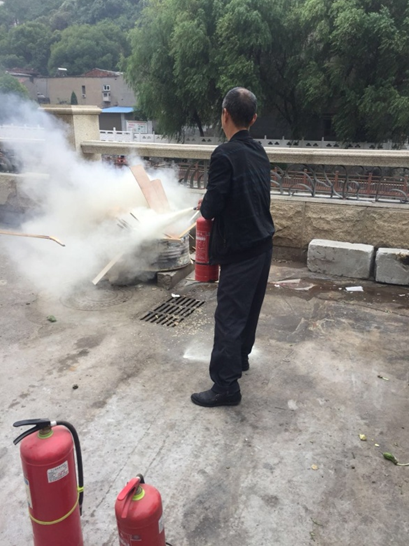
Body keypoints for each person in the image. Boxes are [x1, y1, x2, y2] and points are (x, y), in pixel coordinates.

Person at [191, 87, 275, 408]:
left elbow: (210, 209)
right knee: (249, 310)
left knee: (228, 316)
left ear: (224, 114)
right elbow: (244, 195)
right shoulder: (259, 151)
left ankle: (226, 386)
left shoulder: (223, 154)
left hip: (240, 251)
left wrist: (206, 201)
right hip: (262, 245)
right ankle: (240, 358)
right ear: (253, 119)